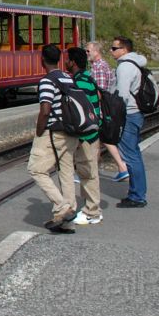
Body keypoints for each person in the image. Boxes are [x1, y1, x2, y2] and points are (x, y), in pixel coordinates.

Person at [27, 44, 79, 233]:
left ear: (42, 60)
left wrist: (39, 130)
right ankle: (67, 222)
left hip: (54, 132)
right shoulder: (68, 78)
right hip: (71, 133)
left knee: (36, 169)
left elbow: (45, 110)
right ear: (59, 59)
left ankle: (62, 208)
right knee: (65, 172)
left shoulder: (47, 81)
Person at [67, 47, 102, 225]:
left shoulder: (79, 82)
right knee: (88, 171)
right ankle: (91, 208)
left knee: (88, 172)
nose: (65, 62)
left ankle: (92, 212)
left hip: (86, 135)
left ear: (73, 62)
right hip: (92, 132)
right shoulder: (87, 78)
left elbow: (80, 112)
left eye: (67, 59)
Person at [112, 36, 148, 208]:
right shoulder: (136, 63)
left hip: (129, 114)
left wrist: (113, 115)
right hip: (137, 113)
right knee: (135, 154)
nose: (111, 51)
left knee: (131, 156)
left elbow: (122, 95)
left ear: (124, 50)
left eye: (114, 48)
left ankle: (137, 196)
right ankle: (137, 192)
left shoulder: (125, 66)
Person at [87, 40, 128, 181]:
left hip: (101, 109)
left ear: (96, 51)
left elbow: (100, 91)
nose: (87, 53)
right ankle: (92, 172)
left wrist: (94, 109)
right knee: (98, 141)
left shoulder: (99, 67)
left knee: (101, 139)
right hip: (103, 109)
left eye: (88, 51)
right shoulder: (99, 66)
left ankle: (121, 167)